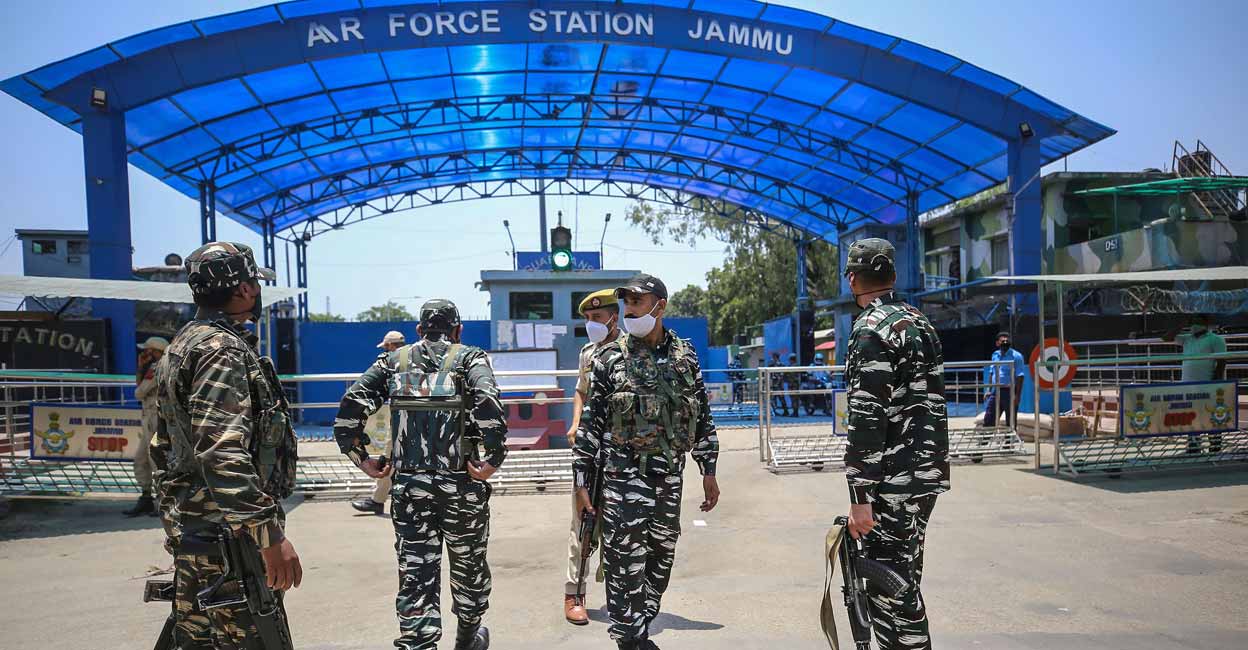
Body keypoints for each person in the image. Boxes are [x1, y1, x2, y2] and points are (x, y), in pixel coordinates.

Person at [151, 242, 301, 648]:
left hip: (199, 532)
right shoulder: (222, 351)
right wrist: (268, 537)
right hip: (230, 543)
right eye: (253, 281)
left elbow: (162, 447)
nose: (256, 290)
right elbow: (221, 451)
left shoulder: (181, 345)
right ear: (244, 289)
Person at [334, 299, 507, 650]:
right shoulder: (470, 358)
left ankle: (417, 643)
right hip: (462, 485)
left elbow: (350, 409)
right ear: (458, 329)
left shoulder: (392, 362)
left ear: (418, 330)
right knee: (468, 564)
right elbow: (489, 405)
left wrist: (362, 459)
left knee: (416, 571)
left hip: (409, 488)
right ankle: (468, 638)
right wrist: (492, 460)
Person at [573, 273, 720, 650]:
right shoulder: (610, 359)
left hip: (669, 479)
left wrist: (709, 470)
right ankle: (629, 636)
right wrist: (581, 482)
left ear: (660, 305)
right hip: (623, 480)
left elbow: (701, 414)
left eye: (637, 302)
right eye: (627, 304)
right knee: (623, 564)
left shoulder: (685, 356)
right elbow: (590, 424)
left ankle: (638, 624)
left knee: (660, 559)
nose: (630, 310)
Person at [841, 238, 950, 650]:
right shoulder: (919, 322)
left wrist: (859, 495)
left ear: (854, 278)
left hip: (891, 479)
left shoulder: (869, 329)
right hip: (925, 474)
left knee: (892, 590)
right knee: (903, 574)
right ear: (892, 276)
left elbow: (867, 418)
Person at [563, 288, 621, 625]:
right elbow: (581, 392)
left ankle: (620, 594)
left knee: (619, 524)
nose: (591, 324)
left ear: (614, 317)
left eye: (597, 318)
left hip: (620, 453)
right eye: (587, 318)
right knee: (582, 523)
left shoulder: (631, 352)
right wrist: (575, 423)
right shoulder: (588, 353)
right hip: (589, 449)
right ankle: (574, 594)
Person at [351, 329, 409, 515]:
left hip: (402, 416)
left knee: (389, 457)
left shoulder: (390, 363)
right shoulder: (416, 359)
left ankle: (377, 500)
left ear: (391, 346)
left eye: (386, 347)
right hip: (420, 416)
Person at [1164, 314, 1227, 454]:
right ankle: (1194, 445)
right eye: (1192, 322)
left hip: (1207, 384)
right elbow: (1166, 337)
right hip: (1188, 385)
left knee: (1211, 415)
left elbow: (1222, 361)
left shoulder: (1215, 339)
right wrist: (1182, 323)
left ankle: (1215, 444)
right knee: (1191, 415)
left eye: (1196, 321)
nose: (1193, 324)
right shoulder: (1187, 339)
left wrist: (1215, 383)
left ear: (1206, 323)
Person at [124, 336, 168, 517]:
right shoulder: (153, 367)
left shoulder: (159, 367)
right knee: (142, 459)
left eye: (147, 350)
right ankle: (146, 498)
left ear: (155, 351)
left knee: (154, 460)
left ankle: (161, 501)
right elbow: (140, 389)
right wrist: (141, 368)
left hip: (157, 420)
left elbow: (138, 392)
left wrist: (142, 368)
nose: (144, 353)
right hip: (151, 419)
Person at [983, 331, 1026, 428]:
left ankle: (1009, 442)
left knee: (1010, 421)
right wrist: (989, 390)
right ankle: (984, 442)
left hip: (1009, 392)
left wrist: (1017, 395)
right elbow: (991, 373)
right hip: (995, 391)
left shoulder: (1016, 356)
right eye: (1003, 341)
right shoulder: (995, 355)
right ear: (997, 343)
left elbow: (1020, 376)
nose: (1005, 343)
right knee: (989, 417)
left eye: (1007, 341)